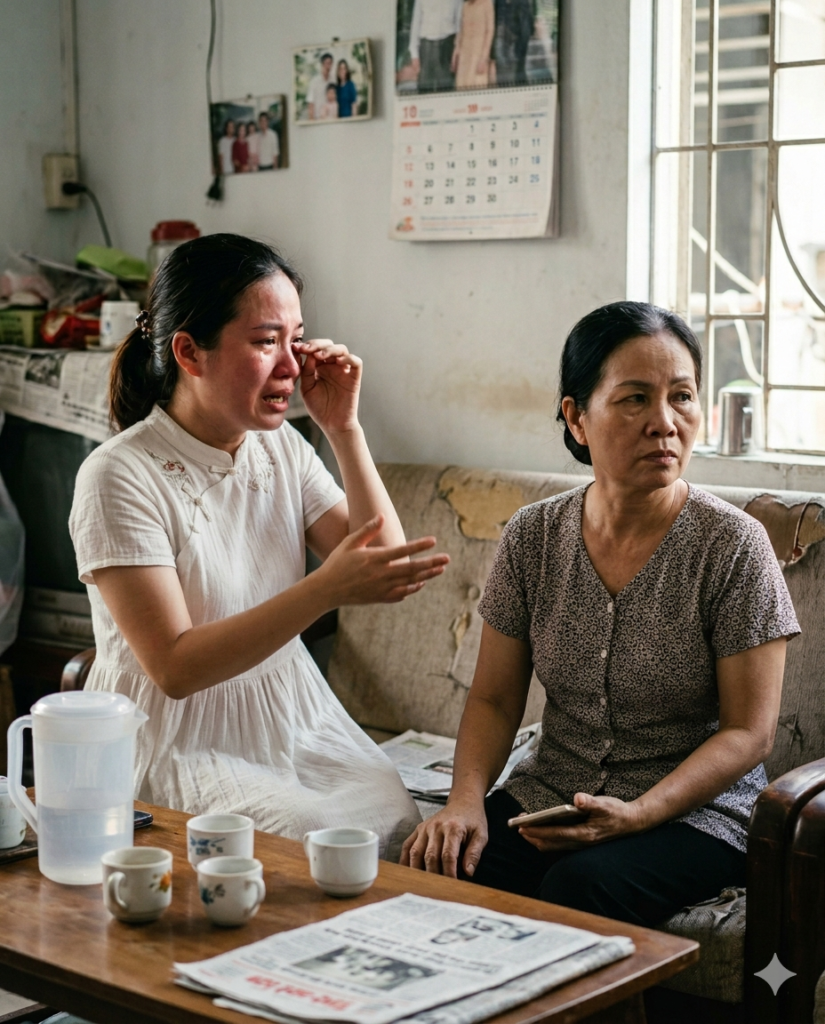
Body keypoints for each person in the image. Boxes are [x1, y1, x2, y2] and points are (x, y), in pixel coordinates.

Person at [402, 301, 799, 926]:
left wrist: (641, 813)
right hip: (555, 791)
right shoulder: (532, 536)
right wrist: (464, 802)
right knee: (441, 867)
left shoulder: (733, 545)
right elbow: (494, 699)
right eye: (635, 398)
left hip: (696, 814)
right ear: (577, 417)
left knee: (580, 887)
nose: (664, 423)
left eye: (682, 397)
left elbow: (750, 732)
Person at [68, 234, 449, 860]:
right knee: (305, 840)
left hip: (292, 714)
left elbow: (393, 565)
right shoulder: (118, 475)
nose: (292, 365)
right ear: (189, 351)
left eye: (295, 339)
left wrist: (343, 428)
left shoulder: (280, 446)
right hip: (180, 735)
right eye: (265, 341)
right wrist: (324, 589)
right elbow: (175, 669)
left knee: (393, 820)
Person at [409, 0, 464, 93]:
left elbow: (459, 24)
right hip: (426, 47)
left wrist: (457, 49)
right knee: (425, 90)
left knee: (447, 90)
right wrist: (414, 54)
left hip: (447, 46)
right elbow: (416, 22)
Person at [492, 0, 536, 86]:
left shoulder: (522, 3)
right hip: (506, 42)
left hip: (517, 42)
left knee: (517, 71)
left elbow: (527, 25)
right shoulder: (499, 3)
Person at [453, 0, 495, 90]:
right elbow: (461, 31)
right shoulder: (465, 6)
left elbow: (489, 31)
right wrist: (456, 51)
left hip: (478, 54)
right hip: (464, 55)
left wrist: (484, 58)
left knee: (477, 88)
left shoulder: (487, 4)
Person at [307, 53, 336, 120]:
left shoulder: (333, 81)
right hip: (318, 118)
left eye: (330, 63)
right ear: (322, 64)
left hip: (331, 119)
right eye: (327, 63)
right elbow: (310, 103)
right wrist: (311, 120)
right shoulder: (314, 82)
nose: (329, 66)